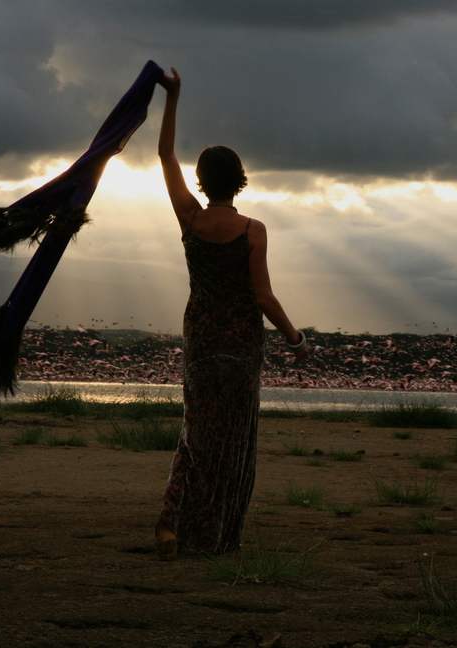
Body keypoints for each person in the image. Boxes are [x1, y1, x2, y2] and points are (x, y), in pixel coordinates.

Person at [154, 67, 310, 559]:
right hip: (241, 345)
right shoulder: (252, 230)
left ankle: (172, 523)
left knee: (198, 432)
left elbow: (164, 155)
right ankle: (216, 535)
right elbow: (263, 297)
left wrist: (173, 97)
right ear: (239, 180)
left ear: (202, 180)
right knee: (233, 441)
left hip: (201, 339)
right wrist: (295, 337)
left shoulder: (191, 218)